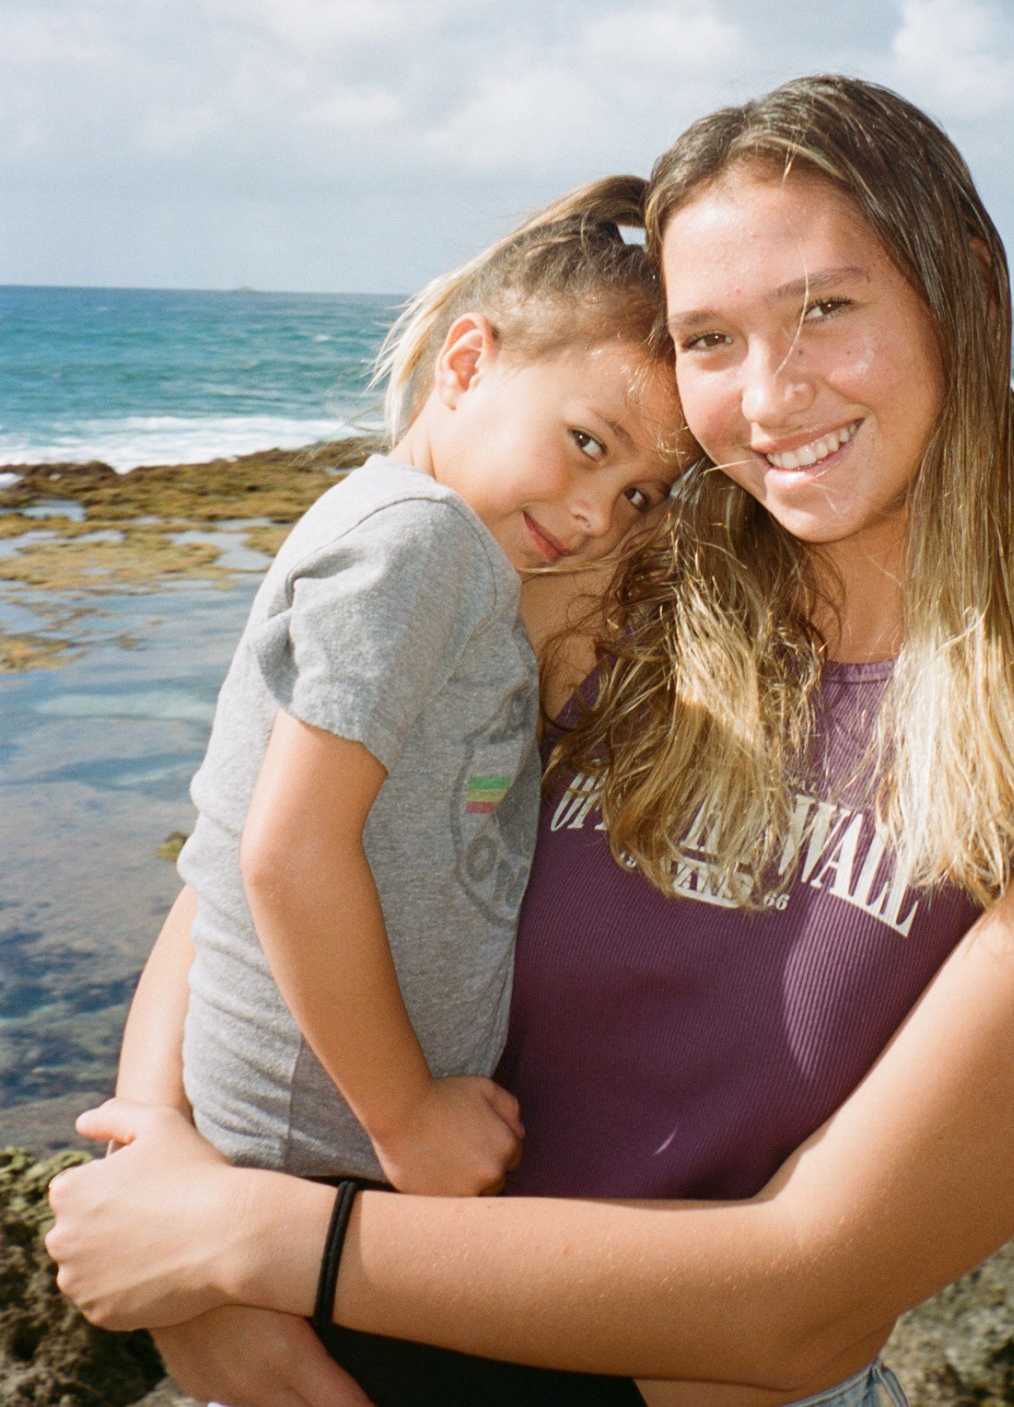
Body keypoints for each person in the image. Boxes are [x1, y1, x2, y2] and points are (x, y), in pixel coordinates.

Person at [47, 79, 1014, 1407]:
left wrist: (258, 1244)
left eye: (826, 308)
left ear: (963, 287)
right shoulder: (599, 597)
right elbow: (261, 848)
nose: (771, 396)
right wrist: (165, 1168)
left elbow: (805, 1297)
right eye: (708, 339)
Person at [158, 176, 687, 1341]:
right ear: (466, 361)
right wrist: (406, 1115)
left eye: (643, 490)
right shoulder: (418, 544)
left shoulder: (455, 556)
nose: (603, 512)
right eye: (586, 442)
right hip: (326, 1150)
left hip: (325, 1142)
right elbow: (285, 851)